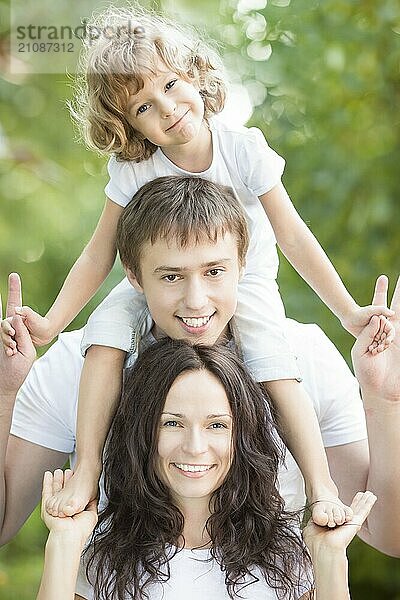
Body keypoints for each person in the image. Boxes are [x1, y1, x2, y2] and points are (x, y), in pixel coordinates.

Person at [0, 5, 394, 525]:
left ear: (194, 72)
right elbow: (101, 253)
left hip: (243, 279)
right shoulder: (134, 166)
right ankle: (88, 468)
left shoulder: (242, 149)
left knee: (271, 356)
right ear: (127, 126)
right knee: (105, 335)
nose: (166, 108)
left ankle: (321, 484)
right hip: (150, 285)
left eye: (169, 84)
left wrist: (346, 312)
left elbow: (293, 236)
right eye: (143, 108)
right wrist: (52, 323)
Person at [0, 177, 399, 560]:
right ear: (134, 275)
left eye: (214, 272)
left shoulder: (304, 358)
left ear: (242, 265)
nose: (196, 300)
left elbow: (389, 536)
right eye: (172, 276)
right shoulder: (76, 366)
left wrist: (384, 401)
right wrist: (3, 393)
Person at [36, 340, 377, 600]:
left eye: (216, 425)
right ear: (143, 432)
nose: (195, 446)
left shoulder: (281, 556)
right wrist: (63, 545)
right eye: (171, 423)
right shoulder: (107, 557)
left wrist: (330, 559)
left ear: (241, 435)